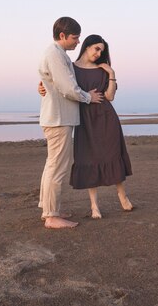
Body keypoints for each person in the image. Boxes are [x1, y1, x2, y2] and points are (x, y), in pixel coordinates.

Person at [39, 34, 133, 219]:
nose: (99, 53)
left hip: (106, 118)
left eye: (102, 51)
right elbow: (58, 83)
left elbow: (110, 96)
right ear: (87, 46)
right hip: (83, 120)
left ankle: (123, 196)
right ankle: (94, 206)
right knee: (89, 159)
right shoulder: (70, 67)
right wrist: (42, 87)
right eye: (96, 48)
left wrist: (112, 74)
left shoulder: (103, 70)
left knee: (113, 154)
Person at [38, 16, 103, 230]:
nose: (78, 42)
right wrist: (88, 97)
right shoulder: (55, 55)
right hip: (58, 119)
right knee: (57, 167)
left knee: (53, 165)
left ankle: (49, 208)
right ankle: (51, 215)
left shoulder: (58, 55)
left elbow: (53, 83)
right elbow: (67, 87)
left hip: (59, 117)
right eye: (75, 38)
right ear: (63, 36)